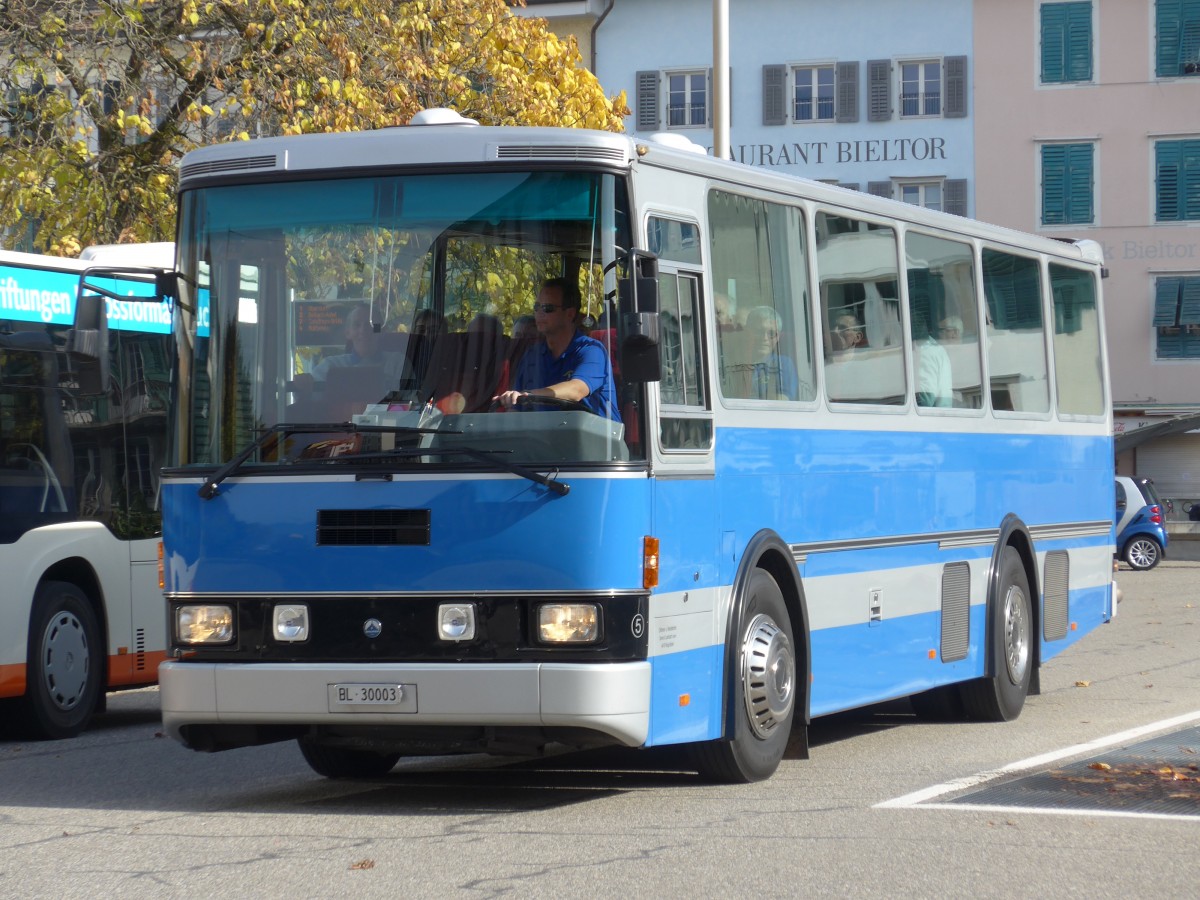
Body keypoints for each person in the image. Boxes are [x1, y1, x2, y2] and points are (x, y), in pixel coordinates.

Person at [495, 277, 621, 421]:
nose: (539, 314)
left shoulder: (591, 350)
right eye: (536, 307)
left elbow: (576, 390)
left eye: (548, 308)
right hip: (545, 439)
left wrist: (528, 395)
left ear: (570, 314)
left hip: (596, 440)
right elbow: (516, 409)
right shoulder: (532, 355)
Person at [311, 302, 405, 382]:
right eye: (356, 325)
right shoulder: (331, 366)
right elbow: (306, 396)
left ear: (382, 331)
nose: (363, 330)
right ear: (348, 333)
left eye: (371, 325)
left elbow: (411, 398)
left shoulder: (398, 363)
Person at [744, 305, 799, 400]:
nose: (764, 338)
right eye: (759, 331)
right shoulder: (736, 362)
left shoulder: (783, 364)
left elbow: (782, 401)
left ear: (778, 337)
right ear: (748, 333)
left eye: (771, 333)